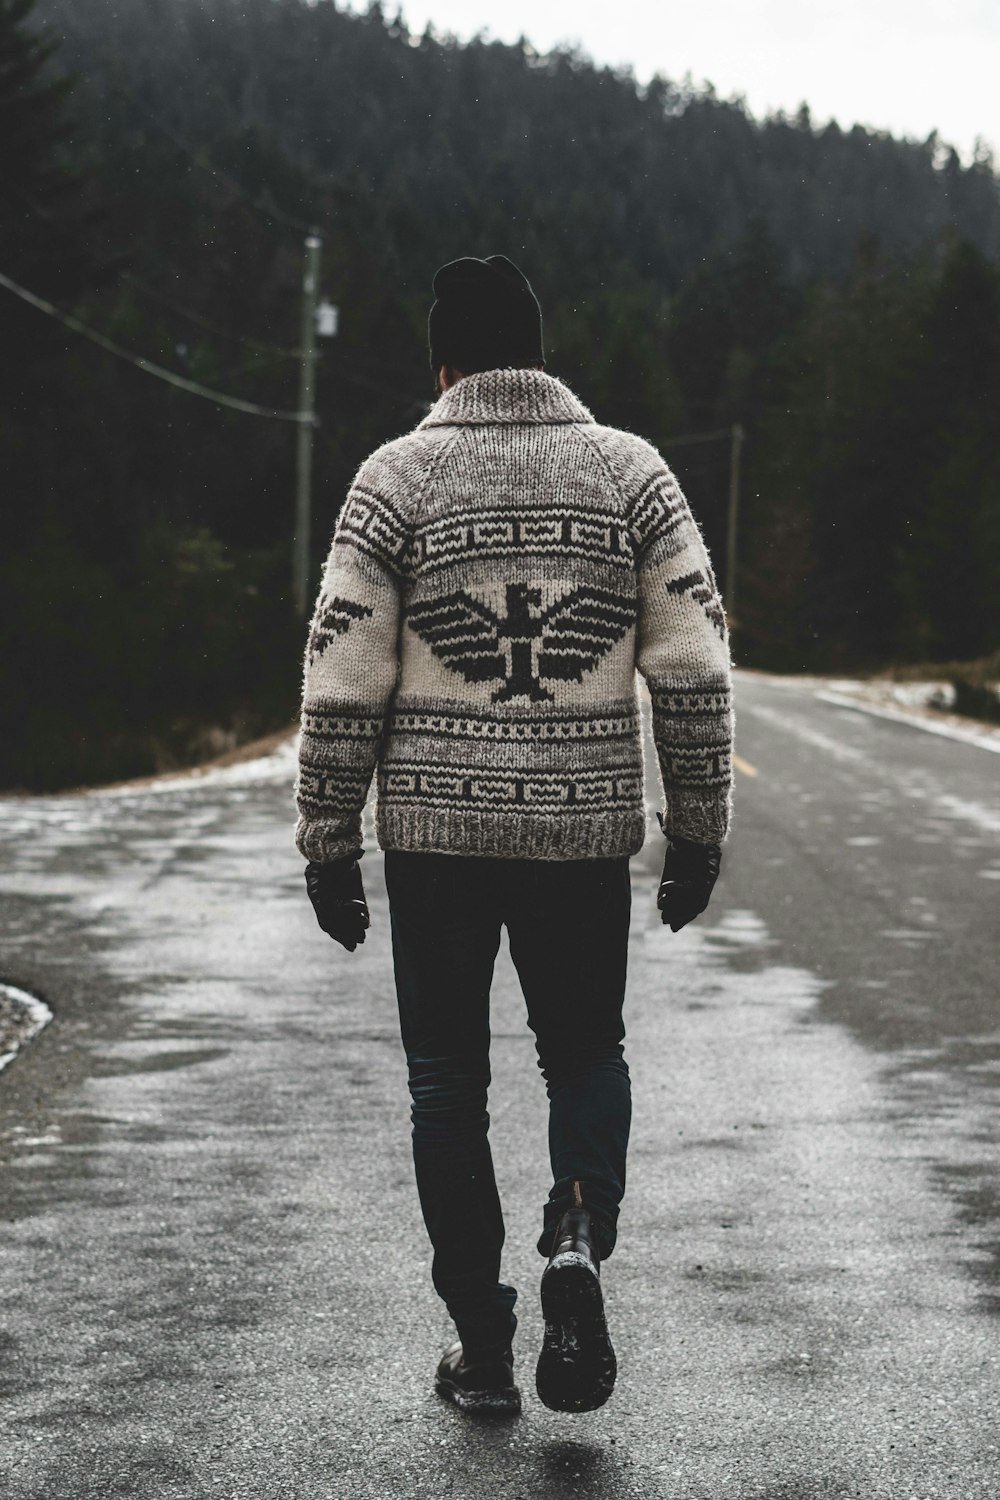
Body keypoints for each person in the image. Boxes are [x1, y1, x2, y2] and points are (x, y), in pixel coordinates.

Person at [296, 255, 733, 1417]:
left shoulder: (392, 480)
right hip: (580, 834)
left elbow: (342, 678)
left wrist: (327, 839)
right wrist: (696, 830)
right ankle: (577, 1236)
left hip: (434, 839)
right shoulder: (631, 474)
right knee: (583, 1054)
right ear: (541, 357)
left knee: (448, 1085)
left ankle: (483, 1350)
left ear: (444, 367)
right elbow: (692, 668)